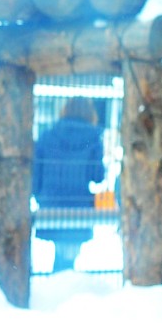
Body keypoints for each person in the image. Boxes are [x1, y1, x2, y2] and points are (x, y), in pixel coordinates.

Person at [33, 96, 107, 271]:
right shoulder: (94, 138)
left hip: (50, 203)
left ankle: (58, 284)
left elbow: (36, 172)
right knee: (71, 255)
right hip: (79, 204)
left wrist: (38, 195)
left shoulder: (48, 135)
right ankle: (68, 286)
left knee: (59, 254)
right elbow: (98, 176)